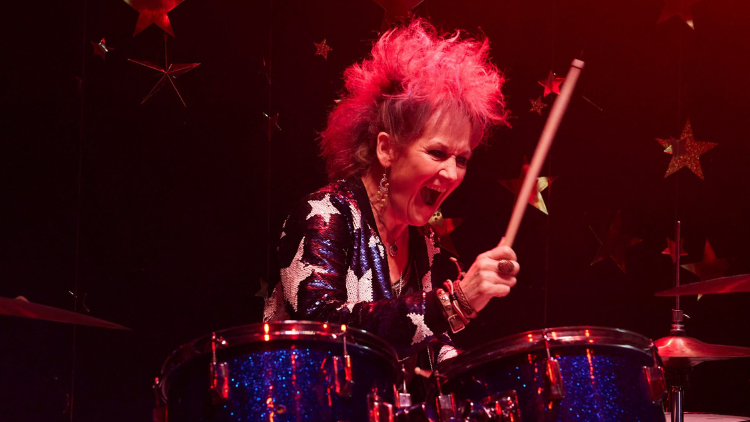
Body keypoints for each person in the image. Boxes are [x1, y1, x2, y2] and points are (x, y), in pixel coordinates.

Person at [263, 19, 519, 393]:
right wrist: (455, 303)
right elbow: (327, 332)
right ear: (387, 149)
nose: (450, 173)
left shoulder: (427, 246)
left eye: (462, 159)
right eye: (436, 152)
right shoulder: (323, 215)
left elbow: (438, 360)